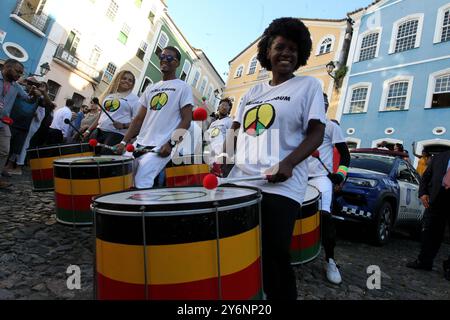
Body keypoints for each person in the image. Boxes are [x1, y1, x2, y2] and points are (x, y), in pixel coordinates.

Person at [221, 18, 326, 299]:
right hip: (242, 179)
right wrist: (224, 160)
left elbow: (317, 132)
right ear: (268, 51)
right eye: (280, 46)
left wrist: (289, 163)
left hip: (282, 183)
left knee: (274, 252)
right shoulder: (252, 92)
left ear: (300, 54)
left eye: (293, 48)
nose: (287, 53)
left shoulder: (309, 86)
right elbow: (235, 130)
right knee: (237, 249)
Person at [115, 46, 194, 189]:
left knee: (141, 182)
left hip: (161, 146)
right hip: (138, 144)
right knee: (124, 181)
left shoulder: (183, 87)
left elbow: (186, 120)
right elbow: (138, 119)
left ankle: (143, 209)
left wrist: (171, 143)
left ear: (176, 63)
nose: (164, 60)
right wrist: (123, 141)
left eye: (169, 58)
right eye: (162, 57)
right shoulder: (151, 88)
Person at [307, 93, 350, 285]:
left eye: (322, 104)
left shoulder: (330, 126)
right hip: (296, 178)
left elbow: (345, 155)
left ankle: (330, 260)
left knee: (324, 217)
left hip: (319, 178)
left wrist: (340, 175)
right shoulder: (299, 125)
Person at [406, 150, 450, 281]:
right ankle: (424, 261)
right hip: (438, 197)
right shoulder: (440, 156)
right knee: (430, 231)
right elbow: (426, 177)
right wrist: (423, 193)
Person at [0, 59, 40, 188]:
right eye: (17, 71)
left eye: (21, 73)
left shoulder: (16, 86)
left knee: (4, 151)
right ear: (7, 67)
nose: (19, 75)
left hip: (3, 122)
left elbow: (28, 99)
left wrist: (34, 95)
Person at [82, 70, 140, 155]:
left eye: (130, 80)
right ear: (118, 79)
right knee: (88, 158)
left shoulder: (135, 99)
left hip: (116, 135)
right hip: (98, 132)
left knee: (103, 163)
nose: (127, 81)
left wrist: (123, 126)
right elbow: (100, 116)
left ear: (132, 84)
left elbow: (137, 122)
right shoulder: (109, 96)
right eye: (124, 78)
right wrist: (88, 131)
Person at [4, 79, 51, 175]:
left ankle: (9, 168)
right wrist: (23, 82)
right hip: (11, 123)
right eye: (30, 83)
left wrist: (43, 92)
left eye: (35, 84)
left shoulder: (38, 97)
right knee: (5, 150)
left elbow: (48, 103)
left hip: (24, 127)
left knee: (15, 149)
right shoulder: (20, 90)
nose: (32, 86)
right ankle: (6, 168)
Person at [205, 98, 233, 165]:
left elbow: (231, 140)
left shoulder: (230, 122)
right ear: (218, 107)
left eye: (227, 106)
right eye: (223, 105)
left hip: (219, 157)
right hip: (208, 155)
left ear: (229, 110)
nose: (224, 107)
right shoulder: (213, 123)